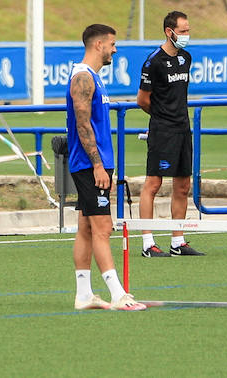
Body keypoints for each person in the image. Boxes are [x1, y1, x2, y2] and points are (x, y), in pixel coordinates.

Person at [68, 24, 145, 311]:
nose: (115, 49)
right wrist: (98, 166)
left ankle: (84, 295)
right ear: (98, 44)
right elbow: (82, 124)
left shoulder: (93, 77)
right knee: (103, 228)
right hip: (89, 165)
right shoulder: (83, 78)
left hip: (93, 164)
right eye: (112, 44)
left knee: (86, 228)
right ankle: (118, 294)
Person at [136, 11, 203, 257]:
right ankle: (147, 243)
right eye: (183, 31)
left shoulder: (186, 57)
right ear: (169, 31)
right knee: (153, 183)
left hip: (183, 129)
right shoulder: (153, 61)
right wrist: (162, 117)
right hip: (162, 130)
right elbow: (142, 100)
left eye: (188, 30)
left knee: (183, 185)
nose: (186, 35)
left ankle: (178, 241)